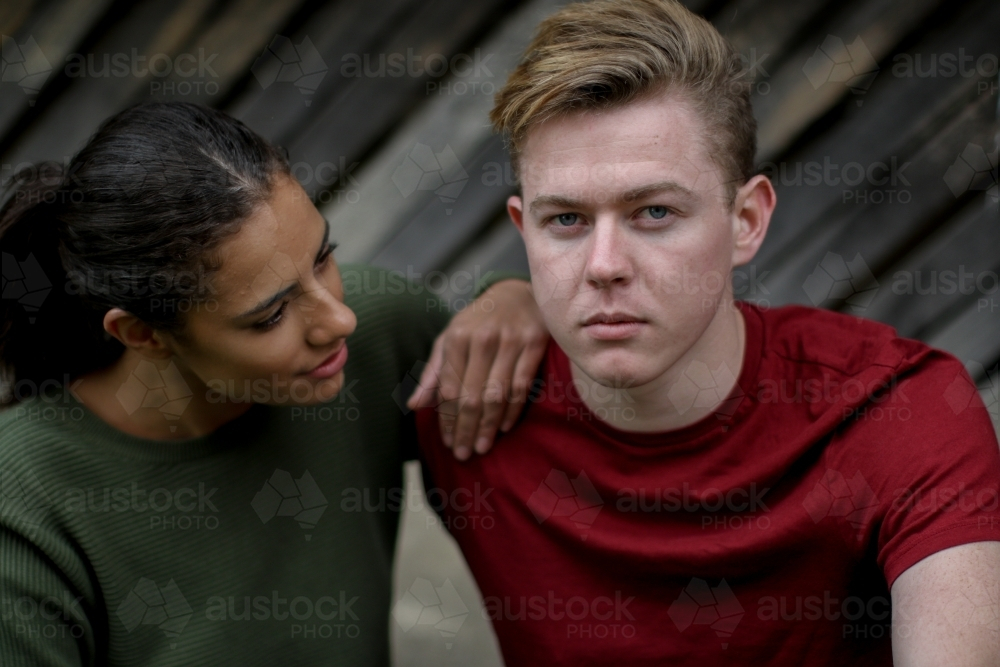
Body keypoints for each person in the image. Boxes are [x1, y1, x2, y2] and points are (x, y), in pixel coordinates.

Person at [415, 1, 1000, 665]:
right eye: (567, 221)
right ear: (525, 230)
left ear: (746, 220)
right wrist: (503, 294)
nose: (603, 265)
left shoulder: (894, 411)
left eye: (654, 211)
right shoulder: (465, 395)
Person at [0, 101, 548, 665]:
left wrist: (521, 300)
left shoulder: (378, 338)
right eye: (271, 316)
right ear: (143, 333)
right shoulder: (21, 505)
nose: (339, 319)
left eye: (324, 258)